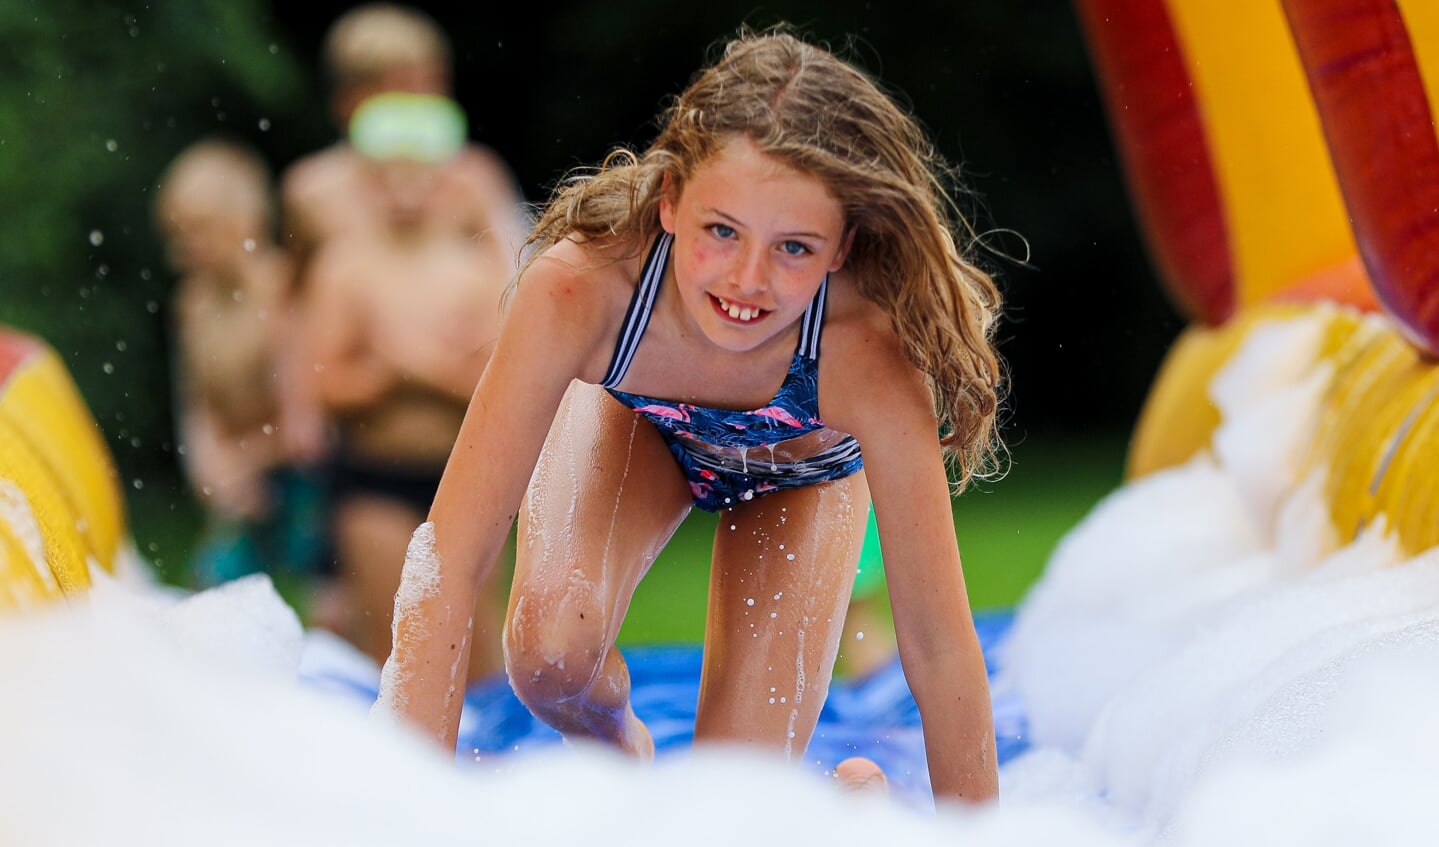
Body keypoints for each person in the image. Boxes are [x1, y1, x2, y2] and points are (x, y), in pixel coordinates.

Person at [375, 30, 1004, 804]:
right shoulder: (585, 289)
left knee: (730, 806)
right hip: (635, 423)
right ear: (669, 198)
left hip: (797, 474)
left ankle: (847, 802)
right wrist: (398, 812)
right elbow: (447, 564)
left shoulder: (866, 354)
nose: (748, 280)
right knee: (549, 655)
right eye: (721, 231)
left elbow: (937, 645)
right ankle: (617, 752)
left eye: (795, 248)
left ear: (842, 246)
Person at [297, 92, 514, 681]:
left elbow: (501, 387)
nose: (404, 191)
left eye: (419, 177)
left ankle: (488, 762)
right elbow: (325, 386)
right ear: (366, 186)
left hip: (461, 474)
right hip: (375, 476)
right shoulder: (344, 267)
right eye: (388, 179)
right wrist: (398, 378)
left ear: (447, 182)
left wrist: (409, 370)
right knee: (392, 645)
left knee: (475, 646)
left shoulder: (474, 269)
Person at [155, 139, 322, 587]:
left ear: (243, 220)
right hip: (244, 479)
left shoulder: (286, 288)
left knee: (330, 600)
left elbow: (308, 423)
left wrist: (245, 463)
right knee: (212, 588)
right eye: (179, 232)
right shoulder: (191, 304)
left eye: (200, 230)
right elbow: (196, 404)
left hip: (305, 476)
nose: (188, 246)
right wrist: (211, 468)